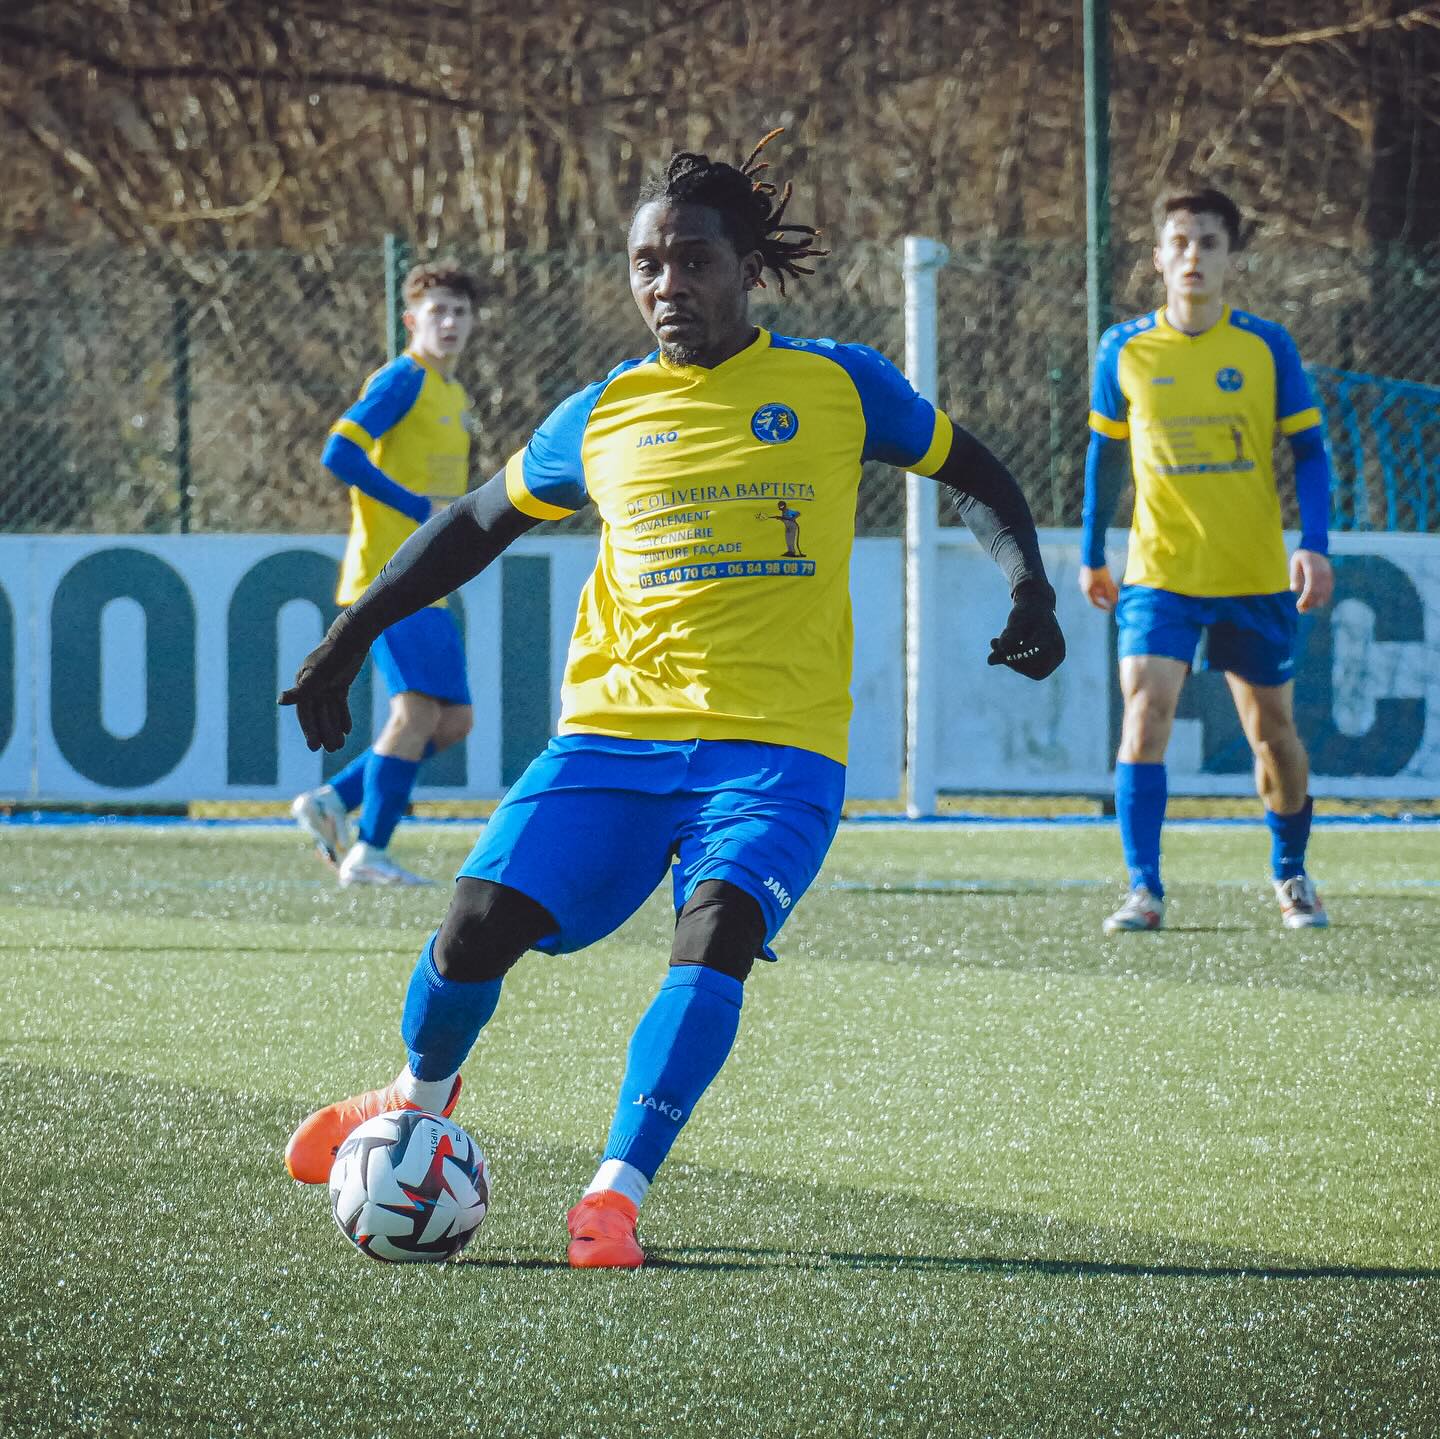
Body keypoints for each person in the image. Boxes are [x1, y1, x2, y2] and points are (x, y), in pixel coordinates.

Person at [279, 131, 1066, 1267]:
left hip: (777, 748)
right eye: (648, 264)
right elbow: (470, 527)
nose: (667, 285)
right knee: (470, 930)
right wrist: (351, 634)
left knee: (716, 936)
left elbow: (973, 470)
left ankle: (613, 1195)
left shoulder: (840, 385)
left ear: (746, 268)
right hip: (612, 735)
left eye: (692, 260)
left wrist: (1027, 581)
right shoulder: (601, 413)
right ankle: (413, 1095)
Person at [1080, 186, 1335, 934]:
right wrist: (1095, 551)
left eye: (1209, 243)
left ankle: (1290, 872)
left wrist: (1313, 545)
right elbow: (1103, 454)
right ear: (1158, 257)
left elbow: (1311, 451)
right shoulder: (1123, 348)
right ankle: (1143, 887)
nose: (1193, 256)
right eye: (1180, 242)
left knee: (1273, 739)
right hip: (1159, 573)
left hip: (1254, 576)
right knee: (1144, 713)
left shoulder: (1266, 346)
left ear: (1232, 258)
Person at [290, 262, 480, 887]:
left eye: (460, 311)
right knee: (415, 713)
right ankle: (369, 850)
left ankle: (333, 803)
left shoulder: (452, 393)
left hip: (428, 584)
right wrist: (417, 508)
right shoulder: (405, 379)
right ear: (411, 320)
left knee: (451, 722)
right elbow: (338, 449)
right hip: (389, 579)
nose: (450, 322)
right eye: (438, 311)